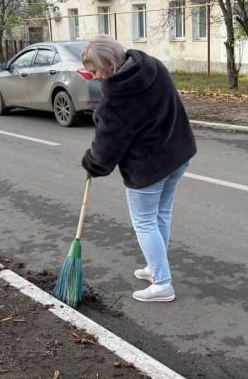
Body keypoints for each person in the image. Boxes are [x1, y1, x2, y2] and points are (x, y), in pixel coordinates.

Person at [81, 35, 196, 303]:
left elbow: (107, 148)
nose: (93, 76)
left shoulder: (116, 100)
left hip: (149, 168)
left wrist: (92, 164)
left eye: (95, 70)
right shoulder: (152, 67)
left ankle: (162, 283)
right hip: (178, 153)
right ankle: (155, 267)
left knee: (145, 222)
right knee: (161, 215)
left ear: (110, 64)